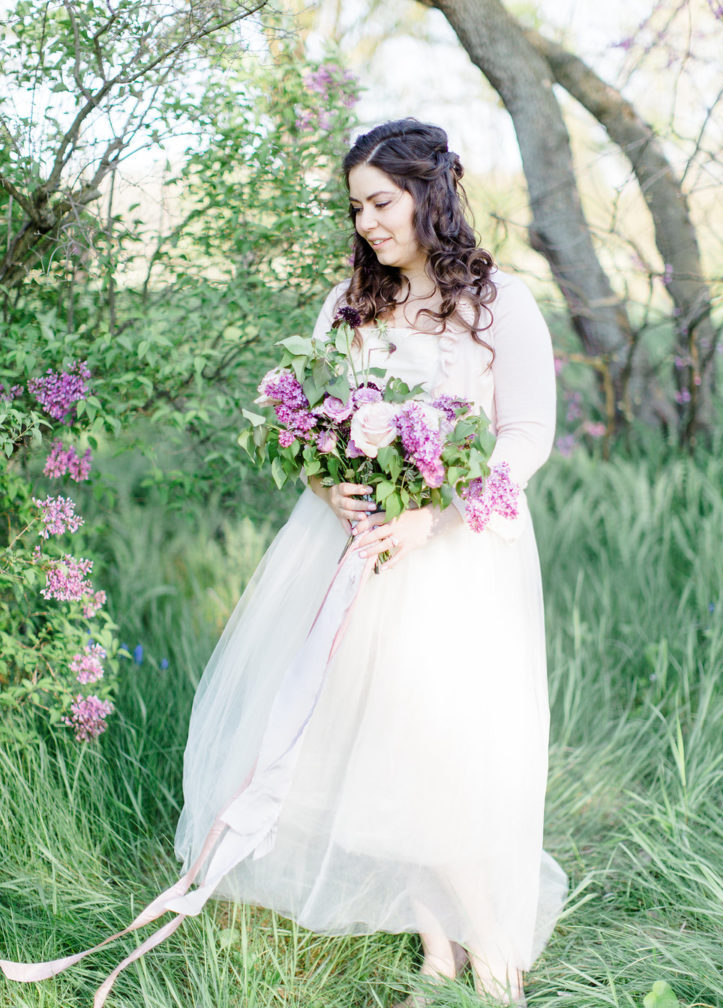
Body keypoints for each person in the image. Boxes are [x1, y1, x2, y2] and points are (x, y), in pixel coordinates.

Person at [174, 118, 568, 1007]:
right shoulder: (350, 303)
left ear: (430, 192)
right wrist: (327, 490)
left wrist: (437, 515)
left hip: (455, 554)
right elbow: (308, 423)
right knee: (369, 742)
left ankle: (497, 953)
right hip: (349, 550)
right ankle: (437, 945)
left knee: (445, 749)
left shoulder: (500, 303)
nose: (368, 224)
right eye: (356, 208)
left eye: (381, 202)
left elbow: (526, 436)